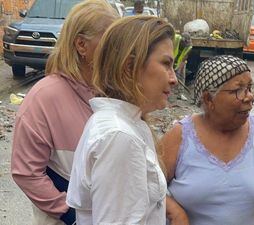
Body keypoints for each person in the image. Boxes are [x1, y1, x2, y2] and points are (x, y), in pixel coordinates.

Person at [11, 1, 119, 225]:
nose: (118, 50)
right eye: (110, 41)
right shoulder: (44, 97)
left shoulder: (111, 91)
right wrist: (71, 214)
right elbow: (26, 173)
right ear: (81, 45)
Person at [66, 16, 177, 224]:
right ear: (129, 67)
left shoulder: (125, 124)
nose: (174, 78)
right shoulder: (120, 136)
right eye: (166, 64)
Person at [161, 55, 254, 225]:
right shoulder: (180, 137)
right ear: (208, 99)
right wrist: (175, 212)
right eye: (238, 90)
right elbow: (149, 187)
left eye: (250, 87)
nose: (249, 96)